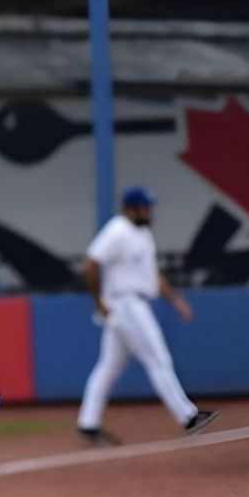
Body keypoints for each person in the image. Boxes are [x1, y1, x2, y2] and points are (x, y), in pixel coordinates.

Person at [76, 186, 220, 444]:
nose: (149, 210)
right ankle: (188, 416)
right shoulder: (118, 229)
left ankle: (88, 423)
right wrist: (98, 302)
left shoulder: (141, 233)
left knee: (108, 367)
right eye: (145, 206)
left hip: (133, 302)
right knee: (158, 358)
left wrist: (175, 300)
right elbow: (90, 263)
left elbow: (152, 274)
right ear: (131, 208)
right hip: (125, 304)